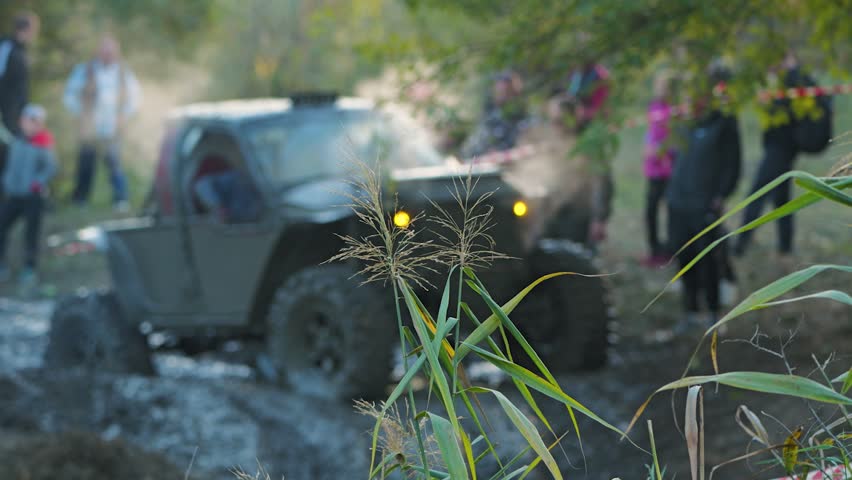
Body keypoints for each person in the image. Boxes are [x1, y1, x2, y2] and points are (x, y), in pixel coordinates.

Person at [666, 67, 741, 328]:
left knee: (708, 257)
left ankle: (713, 312)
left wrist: (722, 194)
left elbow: (734, 164)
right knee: (683, 255)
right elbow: (673, 158)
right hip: (678, 200)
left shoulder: (724, 122)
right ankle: (689, 311)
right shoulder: (683, 123)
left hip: (705, 202)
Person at [734, 51, 813, 258]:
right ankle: (784, 247)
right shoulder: (780, 82)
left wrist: (790, 68)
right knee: (782, 200)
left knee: (757, 195)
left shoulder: (795, 79)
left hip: (782, 149)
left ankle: (740, 245)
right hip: (777, 148)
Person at [64, 34, 141, 212]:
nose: (108, 55)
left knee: (114, 162)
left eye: (111, 51)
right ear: (99, 52)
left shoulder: (123, 72)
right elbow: (69, 95)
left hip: (112, 127)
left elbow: (135, 97)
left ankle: (120, 199)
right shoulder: (85, 70)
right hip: (89, 126)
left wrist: (124, 115)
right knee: (86, 163)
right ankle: (80, 200)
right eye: (105, 51)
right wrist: (80, 114)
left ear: (117, 52)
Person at [0, 104, 57, 284]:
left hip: (33, 197)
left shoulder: (44, 143)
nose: (31, 124)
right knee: (2, 227)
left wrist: (37, 183)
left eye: (36, 121)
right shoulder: (16, 141)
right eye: (28, 120)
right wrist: (7, 182)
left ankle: (29, 269)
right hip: (14, 196)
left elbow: (51, 167)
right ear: (22, 121)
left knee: (31, 234)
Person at [642, 73, 676, 267]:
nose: (661, 90)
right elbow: (650, 132)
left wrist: (663, 151)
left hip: (669, 170)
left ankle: (671, 251)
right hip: (653, 169)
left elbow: (677, 140)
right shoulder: (654, 106)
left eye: (665, 86)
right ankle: (654, 249)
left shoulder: (676, 110)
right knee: (651, 211)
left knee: (671, 213)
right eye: (659, 86)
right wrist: (647, 149)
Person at [460, 70, 527, 159]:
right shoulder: (489, 108)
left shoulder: (518, 111)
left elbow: (520, 142)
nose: (501, 89)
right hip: (479, 156)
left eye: (505, 87)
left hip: (503, 156)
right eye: (499, 85)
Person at [0, 12, 39, 136]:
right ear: (28, 29)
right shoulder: (9, 48)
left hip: (14, 113)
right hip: (6, 113)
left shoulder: (19, 50)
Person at [193, 169, 262, 224]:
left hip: (245, 185)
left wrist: (219, 207)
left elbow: (203, 186)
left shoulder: (201, 186)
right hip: (249, 210)